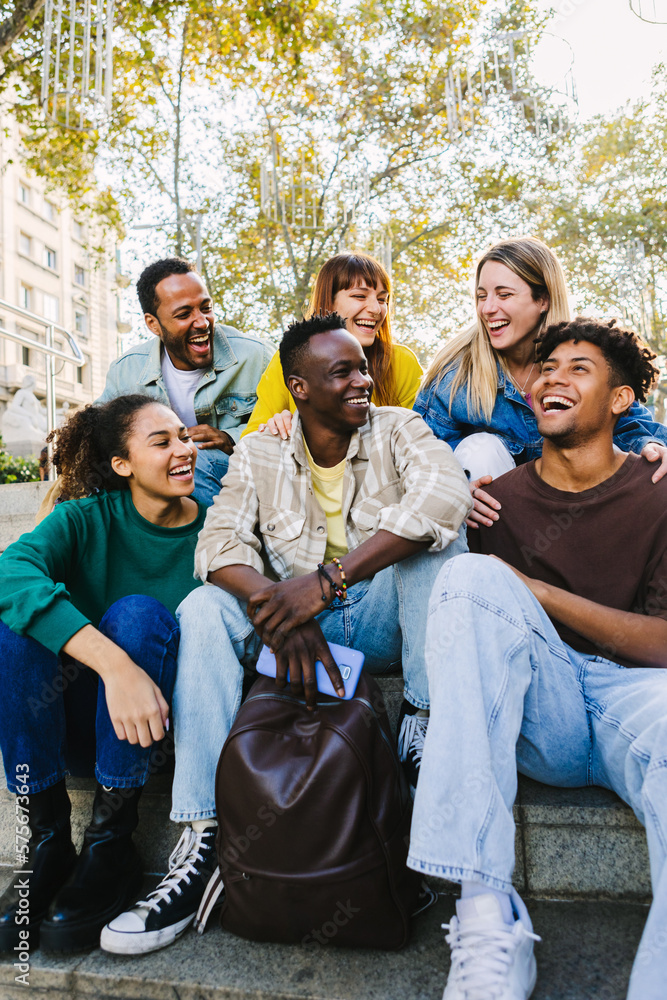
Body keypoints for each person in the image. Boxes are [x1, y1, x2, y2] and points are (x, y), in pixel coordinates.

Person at [100, 312, 471, 956]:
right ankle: (203, 837)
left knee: (439, 549)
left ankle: (420, 722)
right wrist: (281, 610)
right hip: (295, 622)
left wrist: (324, 583)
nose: (362, 380)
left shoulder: (398, 427)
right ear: (298, 387)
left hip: (378, 616)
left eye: (363, 366)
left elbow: (443, 497)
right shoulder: (260, 450)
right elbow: (217, 545)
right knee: (204, 609)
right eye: (343, 371)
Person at [407, 318, 667, 1000]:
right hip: (536, 711)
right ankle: (485, 910)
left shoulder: (657, 490)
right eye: (544, 366)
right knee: (463, 578)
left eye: (577, 368)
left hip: (635, 700)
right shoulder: (496, 503)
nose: (551, 376)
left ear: (619, 400)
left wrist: (541, 593)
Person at [0, 395, 206, 954]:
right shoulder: (84, 519)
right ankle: (46, 840)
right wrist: (114, 665)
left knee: (137, 615)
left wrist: (133, 659)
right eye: (161, 442)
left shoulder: (217, 528)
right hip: (74, 729)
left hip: (159, 737)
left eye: (184, 437)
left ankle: (110, 843)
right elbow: (7, 575)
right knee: (14, 623)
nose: (183, 449)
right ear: (122, 464)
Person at [414, 236, 667, 529]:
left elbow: (628, 421)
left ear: (543, 300)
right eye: (482, 296)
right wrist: (454, 490)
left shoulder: (583, 354)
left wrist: (651, 446)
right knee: (480, 448)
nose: (488, 308)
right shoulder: (456, 375)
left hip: (570, 509)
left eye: (504, 294)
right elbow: (419, 453)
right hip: (493, 523)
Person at [99, 257, 274, 506]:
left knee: (194, 458)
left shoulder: (257, 356)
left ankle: (212, 544)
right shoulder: (125, 371)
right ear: (153, 324)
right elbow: (97, 435)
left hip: (240, 473)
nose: (202, 322)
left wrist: (230, 437)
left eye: (206, 308)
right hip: (157, 482)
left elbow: (295, 423)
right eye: (184, 314)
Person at [243, 251, 422, 438]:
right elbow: (250, 440)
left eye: (382, 299)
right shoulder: (288, 360)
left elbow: (421, 437)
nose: (376, 309)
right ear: (329, 302)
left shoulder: (401, 362)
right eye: (360, 296)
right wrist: (274, 428)